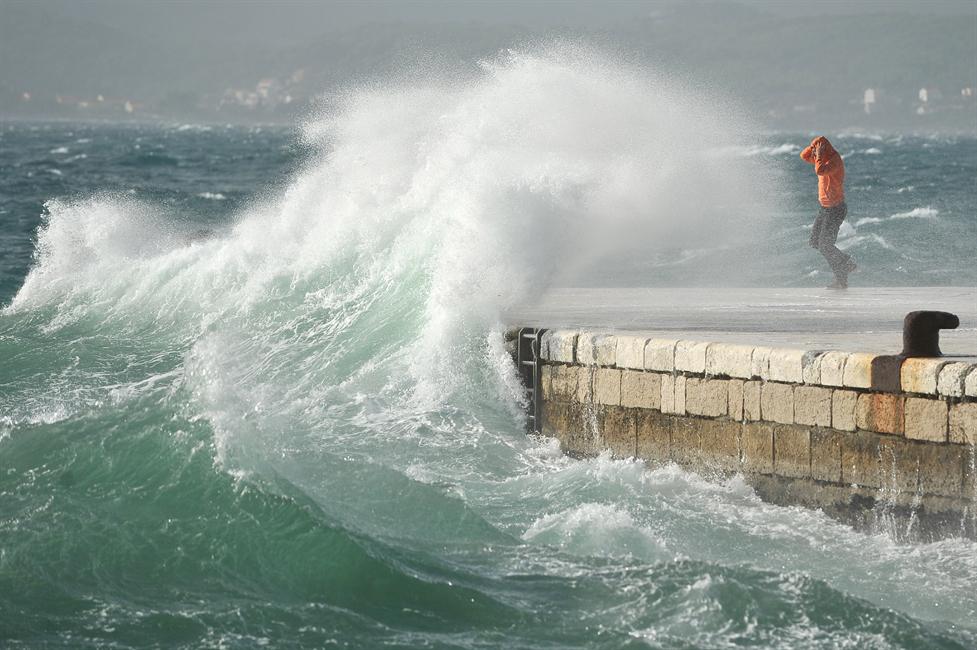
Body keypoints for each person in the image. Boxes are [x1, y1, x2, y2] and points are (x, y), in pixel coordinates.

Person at [800, 136, 856, 289]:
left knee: (825, 244)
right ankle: (844, 270)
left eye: (819, 148)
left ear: (826, 149)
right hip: (825, 208)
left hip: (836, 209)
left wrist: (818, 154)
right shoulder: (821, 157)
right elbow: (803, 156)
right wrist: (813, 147)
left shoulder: (833, 160)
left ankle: (845, 267)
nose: (816, 152)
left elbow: (820, 171)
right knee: (815, 242)